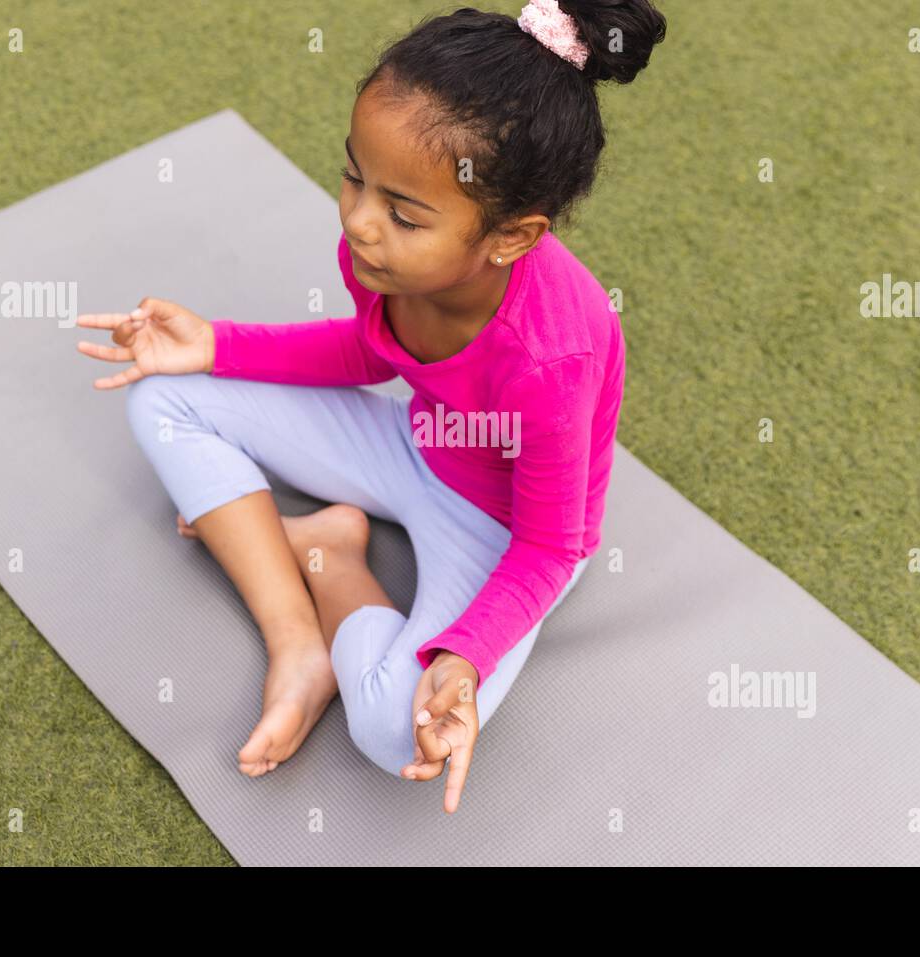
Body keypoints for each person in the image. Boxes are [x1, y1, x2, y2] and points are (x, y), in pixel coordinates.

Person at [75, 0, 666, 813]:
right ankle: (298, 642)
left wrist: (462, 657)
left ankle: (336, 559)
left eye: (402, 212)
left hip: (502, 534)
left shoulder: (551, 357)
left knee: (392, 731)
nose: (358, 221)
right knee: (163, 392)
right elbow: (371, 351)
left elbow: (550, 547)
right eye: (356, 176)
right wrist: (213, 344)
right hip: (411, 447)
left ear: (510, 237)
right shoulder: (378, 255)